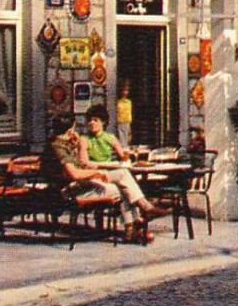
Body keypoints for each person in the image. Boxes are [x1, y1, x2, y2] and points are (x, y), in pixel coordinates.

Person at [40, 115, 167, 245]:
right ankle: (136, 221)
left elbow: (79, 165)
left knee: (123, 181)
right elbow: (74, 174)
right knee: (122, 183)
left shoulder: (64, 143)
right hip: (68, 190)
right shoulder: (58, 147)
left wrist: (76, 145)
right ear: (70, 129)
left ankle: (134, 225)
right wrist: (97, 172)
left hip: (79, 185)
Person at [115, 80, 134, 152]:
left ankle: (126, 149)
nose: (125, 92)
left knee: (127, 138)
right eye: (124, 90)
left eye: (127, 90)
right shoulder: (118, 102)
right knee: (122, 139)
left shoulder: (129, 101)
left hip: (128, 121)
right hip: (120, 121)